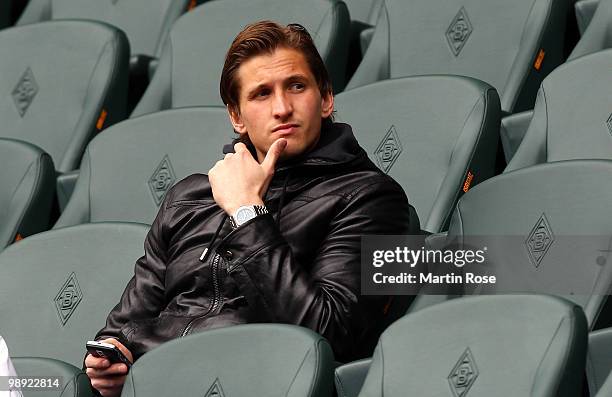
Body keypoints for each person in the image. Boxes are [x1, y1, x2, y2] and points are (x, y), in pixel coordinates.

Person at [85, 20, 420, 396]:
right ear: (236, 116)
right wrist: (110, 361)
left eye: (297, 86)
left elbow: (329, 334)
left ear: (325, 99)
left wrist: (247, 213)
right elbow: (121, 328)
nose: (282, 108)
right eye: (261, 94)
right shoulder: (187, 198)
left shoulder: (371, 197)